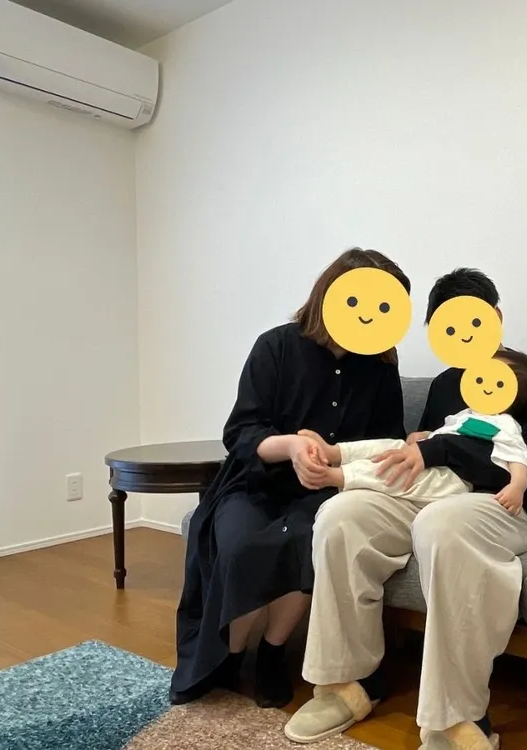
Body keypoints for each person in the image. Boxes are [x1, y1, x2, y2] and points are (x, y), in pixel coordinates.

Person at [285, 269, 527, 750]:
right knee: (342, 515)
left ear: (496, 317)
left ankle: (456, 717)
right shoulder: (445, 385)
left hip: (508, 503)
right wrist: (410, 449)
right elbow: (426, 454)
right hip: (440, 494)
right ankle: (347, 682)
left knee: (441, 525)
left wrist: (439, 450)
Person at [169, 248, 410, 709]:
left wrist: (336, 467)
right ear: (329, 294)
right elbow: (241, 432)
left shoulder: (381, 366)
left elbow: (386, 440)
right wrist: (292, 447)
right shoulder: (275, 346)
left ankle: (273, 652)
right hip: (254, 481)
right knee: (239, 543)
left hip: (324, 490)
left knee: (307, 541)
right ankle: (230, 653)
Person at [300, 348, 527, 510]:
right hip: (435, 462)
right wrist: (424, 436)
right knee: (395, 446)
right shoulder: (467, 413)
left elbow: (518, 457)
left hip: (453, 480)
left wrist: (517, 486)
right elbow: (446, 434)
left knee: (402, 470)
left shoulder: (505, 423)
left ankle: (337, 477)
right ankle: (334, 452)